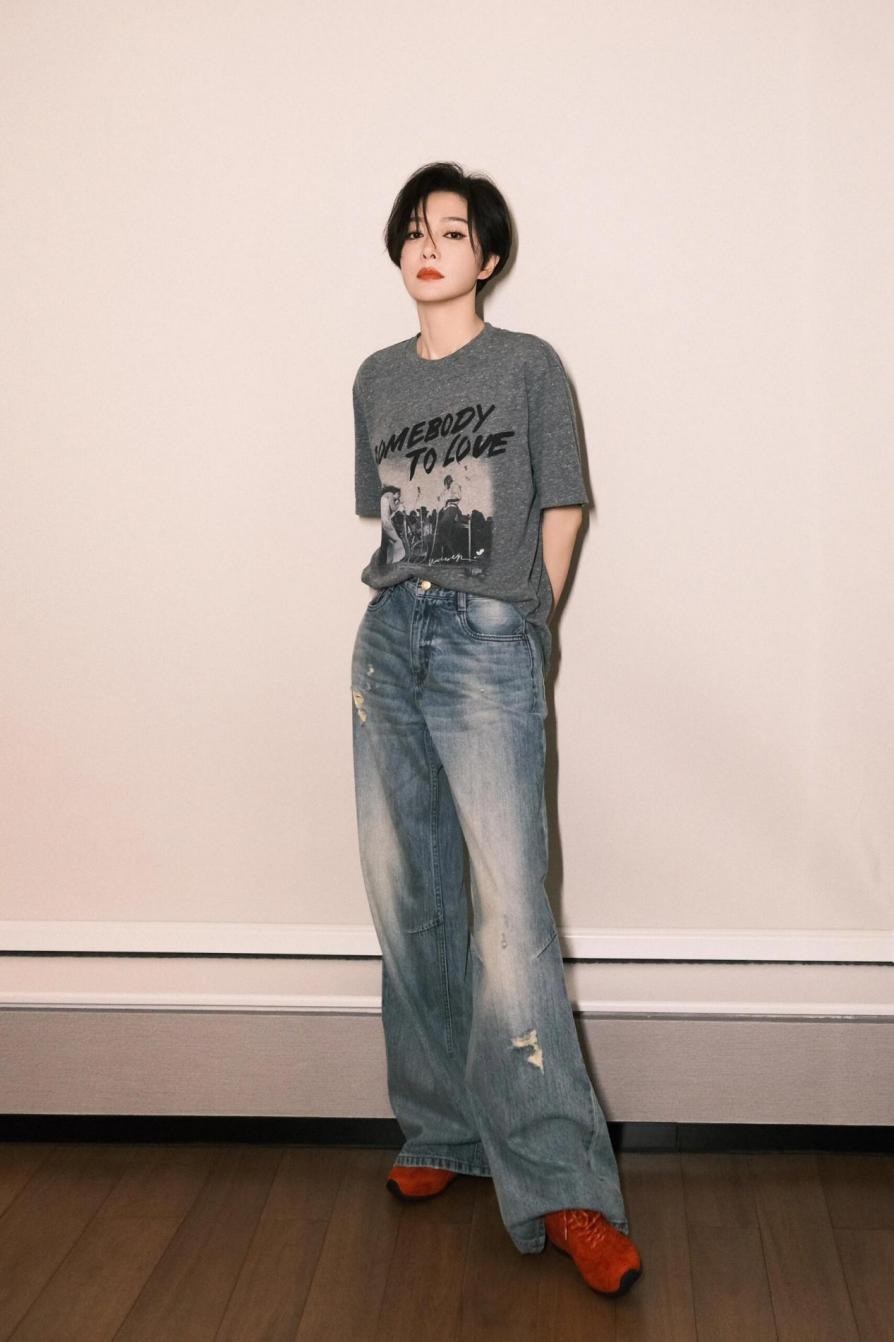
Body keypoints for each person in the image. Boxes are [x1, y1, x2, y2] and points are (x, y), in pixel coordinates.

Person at [350, 160, 643, 1298]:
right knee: (408, 897)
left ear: (490, 256)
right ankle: (443, 1129)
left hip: (486, 639)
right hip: (391, 638)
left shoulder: (528, 367)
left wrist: (528, 626)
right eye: (414, 231)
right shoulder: (377, 379)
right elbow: (389, 521)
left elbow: (562, 506)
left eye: (453, 231)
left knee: (512, 917)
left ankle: (566, 1184)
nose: (429, 247)